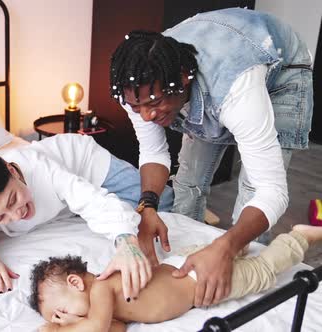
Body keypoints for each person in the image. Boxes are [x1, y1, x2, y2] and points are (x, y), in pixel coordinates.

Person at [109, 8, 314, 307]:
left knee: (252, 197)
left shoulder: (234, 90)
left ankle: (247, 274)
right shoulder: (140, 86)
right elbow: (154, 152)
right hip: (218, 63)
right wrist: (147, 206)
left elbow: (273, 191)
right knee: (188, 183)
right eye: (137, 107)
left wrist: (227, 246)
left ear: (183, 78)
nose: (147, 115)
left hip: (281, 70)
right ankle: (192, 254)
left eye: (154, 104)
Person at [0, 134, 173, 300]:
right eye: (1, 217)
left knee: (163, 200)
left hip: (87, 164)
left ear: (13, 172)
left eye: (13, 200)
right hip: (66, 200)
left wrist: (126, 241)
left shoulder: (43, 170)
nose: (17, 215)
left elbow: (90, 200)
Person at [30, 223, 322, 332]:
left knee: (259, 274)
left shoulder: (102, 289)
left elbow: (94, 331)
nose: (59, 318)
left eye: (59, 311)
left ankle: (297, 238)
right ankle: (238, 248)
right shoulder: (104, 305)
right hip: (182, 263)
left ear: (75, 282)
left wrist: (57, 330)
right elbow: (112, 330)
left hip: (199, 282)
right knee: (232, 258)